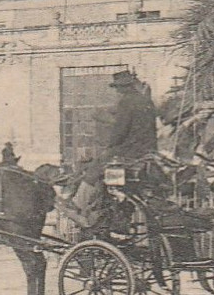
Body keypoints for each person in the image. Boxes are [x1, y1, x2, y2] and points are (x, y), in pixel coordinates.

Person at [67, 69, 160, 228]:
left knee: (96, 167)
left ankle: (77, 204)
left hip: (130, 150)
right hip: (147, 150)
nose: (117, 91)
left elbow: (120, 131)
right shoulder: (146, 101)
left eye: (118, 88)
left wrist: (109, 146)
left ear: (122, 88)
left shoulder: (126, 101)